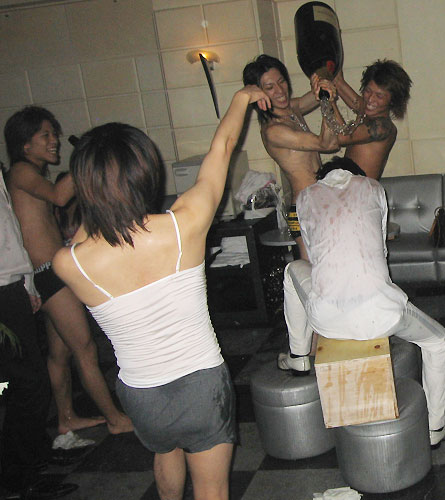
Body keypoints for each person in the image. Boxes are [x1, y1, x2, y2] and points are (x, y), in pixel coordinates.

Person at [53, 85, 271, 500]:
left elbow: (86, 230)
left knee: (165, 454)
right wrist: (242, 98)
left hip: (141, 393)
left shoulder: (70, 263)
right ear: (145, 173)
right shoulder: (183, 224)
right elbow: (222, 148)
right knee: (212, 490)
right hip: (201, 385)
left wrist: (94, 193)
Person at [277, 156, 445, 447]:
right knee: (437, 341)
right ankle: (436, 427)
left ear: (322, 178)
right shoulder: (373, 188)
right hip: (381, 313)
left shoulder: (305, 197)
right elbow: (382, 247)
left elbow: (312, 257)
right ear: (358, 176)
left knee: (292, 271)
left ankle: (298, 355)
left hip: (327, 318)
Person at [4, 106, 132, 437]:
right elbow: (61, 196)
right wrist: (88, 155)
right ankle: (115, 419)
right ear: (25, 144)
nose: (54, 141)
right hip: (48, 274)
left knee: (59, 354)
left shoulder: (29, 174)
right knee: (85, 349)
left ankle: (66, 418)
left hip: (47, 274)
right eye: (45, 135)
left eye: (54, 134)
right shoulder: (20, 171)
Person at [0, 166, 78, 499]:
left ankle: (32, 460)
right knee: (25, 384)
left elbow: (10, 232)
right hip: (2, 291)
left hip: (12, 285)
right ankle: (18, 477)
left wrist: (27, 282)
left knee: (30, 382)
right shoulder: (18, 171)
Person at [242, 55, 339, 260]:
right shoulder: (274, 130)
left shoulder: (292, 109)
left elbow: (314, 95)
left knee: (334, 263)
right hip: (304, 208)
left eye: (281, 81)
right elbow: (327, 144)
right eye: (270, 87)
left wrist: (322, 83)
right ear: (258, 94)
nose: (280, 91)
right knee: (315, 271)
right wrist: (327, 102)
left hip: (320, 200)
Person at [328, 59, 412, 180]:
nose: (370, 99)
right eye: (368, 91)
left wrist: (329, 98)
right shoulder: (368, 111)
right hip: (348, 187)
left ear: (392, 101)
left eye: (379, 96)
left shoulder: (383, 127)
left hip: (361, 191)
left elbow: (341, 137)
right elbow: (337, 81)